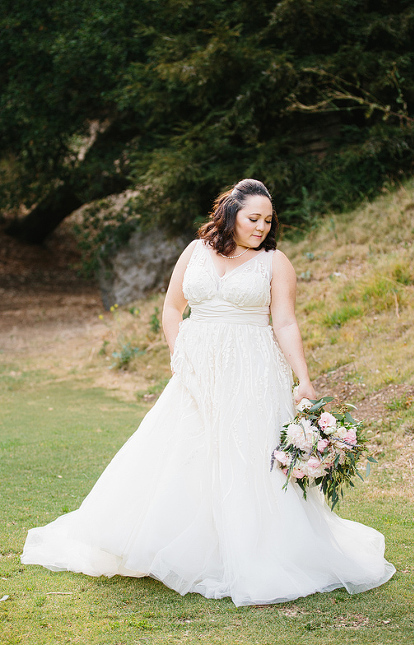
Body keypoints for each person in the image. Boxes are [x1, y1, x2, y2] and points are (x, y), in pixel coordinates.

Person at [22, 179, 395, 606]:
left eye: (267, 220)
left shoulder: (275, 263)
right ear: (230, 213)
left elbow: (286, 323)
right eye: (253, 218)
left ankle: (245, 551)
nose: (260, 227)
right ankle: (167, 543)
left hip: (251, 370)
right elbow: (171, 308)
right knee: (183, 451)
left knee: (244, 457)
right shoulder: (196, 250)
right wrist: (180, 356)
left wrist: (303, 379)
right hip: (195, 368)